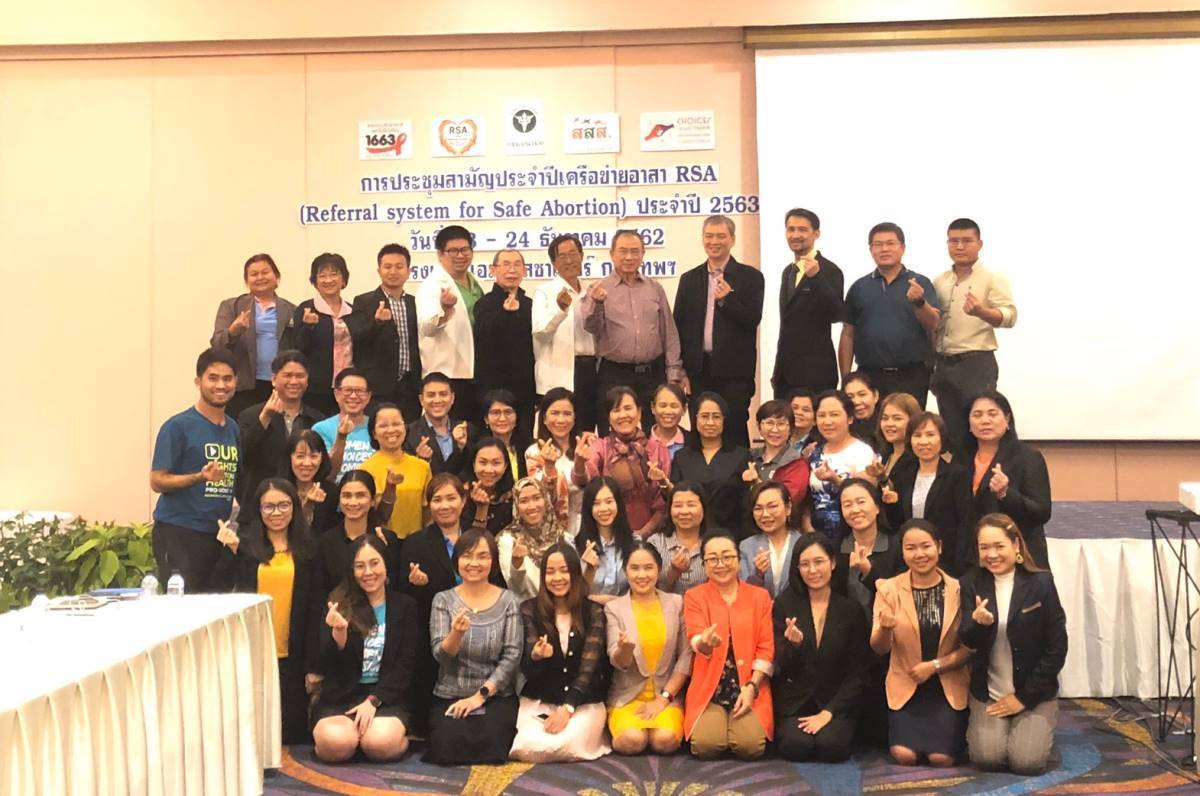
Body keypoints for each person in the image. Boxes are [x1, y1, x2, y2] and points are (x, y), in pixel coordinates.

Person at [213, 478, 319, 744]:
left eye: (283, 505)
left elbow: (315, 609)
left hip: (293, 656)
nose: (276, 513)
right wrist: (228, 550)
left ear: (294, 507)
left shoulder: (308, 550)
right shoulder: (246, 546)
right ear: (258, 510)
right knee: (252, 734)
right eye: (268, 507)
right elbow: (220, 588)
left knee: (292, 736)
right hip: (254, 653)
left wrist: (314, 665)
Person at [960, 513, 1067, 775]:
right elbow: (967, 640)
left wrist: (1023, 698)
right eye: (984, 547)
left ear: (1016, 545)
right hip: (989, 691)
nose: (992, 554)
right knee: (987, 759)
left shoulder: (1041, 583)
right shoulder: (971, 582)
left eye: (999, 546)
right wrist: (978, 624)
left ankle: (1035, 723)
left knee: (1026, 763)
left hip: (1033, 691)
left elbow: (1057, 647)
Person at [399, 474, 503, 735]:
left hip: (483, 631)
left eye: (451, 498)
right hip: (436, 638)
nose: (444, 506)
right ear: (429, 504)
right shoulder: (415, 543)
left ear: (463, 501)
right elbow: (403, 599)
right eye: (437, 500)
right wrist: (419, 585)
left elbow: (497, 582)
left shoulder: (479, 537)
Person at [870, 520, 972, 767]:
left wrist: (934, 666)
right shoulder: (888, 589)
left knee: (941, 759)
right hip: (906, 683)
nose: (919, 554)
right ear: (902, 552)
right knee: (903, 756)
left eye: (926, 546)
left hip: (946, 683)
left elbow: (970, 650)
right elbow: (879, 648)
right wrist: (885, 629)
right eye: (911, 548)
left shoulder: (959, 590)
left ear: (939, 547)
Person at [312, 535, 418, 763]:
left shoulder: (405, 606)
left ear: (386, 565)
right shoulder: (337, 603)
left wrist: (373, 701)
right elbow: (328, 664)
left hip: (385, 696)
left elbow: (406, 666)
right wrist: (339, 632)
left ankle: (377, 739)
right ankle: (352, 739)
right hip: (341, 695)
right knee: (336, 744)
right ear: (351, 570)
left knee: (380, 744)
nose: (368, 572)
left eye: (374, 563)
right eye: (359, 566)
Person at [426, 529, 523, 765]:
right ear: (457, 560)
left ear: (493, 561)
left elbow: (512, 656)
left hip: (494, 695)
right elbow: (441, 656)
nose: (474, 563)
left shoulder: (509, 600)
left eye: (482, 556)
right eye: (467, 556)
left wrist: (480, 697)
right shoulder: (443, 600)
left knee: (494, 746)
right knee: (446, 747)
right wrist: (456, 634)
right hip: (451, 693)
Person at [150, 348, 241, 592]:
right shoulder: (177, 426)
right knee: (185, 605)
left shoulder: (233, 429)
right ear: (198, 381)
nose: (220, 385)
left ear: (236, 382)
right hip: (180, 531)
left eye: (227, 378)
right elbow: (157, 481)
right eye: (213, 378)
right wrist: (200, 477)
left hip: (218, 535)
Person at [772, 535, 869, 762]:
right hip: (796, 702)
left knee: (831, 747)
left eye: (819, 562)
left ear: (832, 563)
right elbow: (780, 665)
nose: (812, 570)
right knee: (797, 746)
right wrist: (793, 645)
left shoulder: (850, 609)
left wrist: (829, 712)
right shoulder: (785, 604)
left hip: (835, 702)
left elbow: (859, 673)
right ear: (797, 568)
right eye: (805, 564)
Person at [511, 543, 611, 762]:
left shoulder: (593, 611)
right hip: (541, 700)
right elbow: (527, 670)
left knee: (566, 745)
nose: (557, 578)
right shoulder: (529, 609)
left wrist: (567, 708)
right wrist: (537, 657)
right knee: (527, 746)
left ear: (575, 574)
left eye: (564, 571)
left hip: (582, 702)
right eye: (550, 572)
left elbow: (589, 670)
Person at [580, 230, 685, 434]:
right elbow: (591, 327)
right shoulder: (598, 288)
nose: (629, 257)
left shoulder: (655, 288)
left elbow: (669, 334)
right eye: (623, 251)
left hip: (652, 374)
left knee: (655, 434)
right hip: (614, 374)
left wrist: (674, 375)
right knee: (612, 434)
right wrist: (597, 303)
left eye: (635, 251)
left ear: (643, 254)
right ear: (612, 254)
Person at [673, 215, 764, 448]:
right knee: (700, 432)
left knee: (734, 432)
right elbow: (679, 326)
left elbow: (752, 319)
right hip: (698, 371)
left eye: (721, 236)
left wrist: (727, 300)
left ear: (732, 239)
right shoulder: (689, 279)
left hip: (734, 374)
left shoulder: (751, 277)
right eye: (709, 236)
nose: (714, 242)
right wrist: (681, 370)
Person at [683, 534, 774, 760]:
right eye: (712, 559)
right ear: (704, 565)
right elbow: (695, 637)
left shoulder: (760, 597)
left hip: (749, 685)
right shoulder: (694, 596)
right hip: (709, 689)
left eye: (727, 557)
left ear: (739, 560)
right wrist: (704, 644)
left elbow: (766, 648)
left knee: (750, 747)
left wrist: (752, 687)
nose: (720, 564)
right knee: (706, 746)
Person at [932, 219, 1018, 446]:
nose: (959, 246)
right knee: (952, 433)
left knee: (982, 429)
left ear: (979, 244)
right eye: (953, 241)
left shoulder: (992, 277)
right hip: (943, 364)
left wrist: (981, 311)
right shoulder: (940, 280)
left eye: (967, 241)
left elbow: (1010, 316)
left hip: (976, 364)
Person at [605, 542, 692, 755]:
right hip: (627, 697)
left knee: (665, 741)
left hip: (666, 697)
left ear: (658, 569)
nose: (641, 575)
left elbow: (685, 656)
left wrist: (663, 699)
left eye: (648, 568)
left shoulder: (676, 603)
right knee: (632, 741)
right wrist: (625, 649)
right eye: (634, 568)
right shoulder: (614, 608)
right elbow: (617, 660)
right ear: (625, 571)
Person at [840, 222, 941, 407]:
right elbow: (848, 334)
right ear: (871, 249)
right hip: (868, 376)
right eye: (878, 244)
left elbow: (933, 325)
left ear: (902, 248)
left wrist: (919, 301)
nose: (884, 249)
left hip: (912, 375)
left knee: (910, 423)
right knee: (869, 425)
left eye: (890, 243)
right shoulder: (859, 287)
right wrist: (846, 378)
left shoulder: (920, 283)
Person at [964, 390, 1052, 569]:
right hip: (975, 562)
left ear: (1007, 419)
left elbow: (1042, 512)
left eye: (992, 414)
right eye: (977, 415)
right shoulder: (962, 461)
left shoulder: (1028, 457)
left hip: (1020, 560)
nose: (985, 420)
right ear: (969, 423)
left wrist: (1006, 493)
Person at [884, 412, 975, 575]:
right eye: (917, 435)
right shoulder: (903, 475)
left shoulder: (957, 475)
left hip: (946, 562)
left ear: (942, 439)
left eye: (930, 435)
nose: (923, 441)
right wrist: (890, 504)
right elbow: (897, 523)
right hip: (909, 561)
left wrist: (961, 566)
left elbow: (965, 523)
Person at [574, 387, 670, 538]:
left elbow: (663, 503)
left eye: (628, 408)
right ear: (608, 417)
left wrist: (641, 535)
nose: (623, 415)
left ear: (639, 412)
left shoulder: (657, 449)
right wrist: (579, 464)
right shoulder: (600, 447)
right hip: (609, 536)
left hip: (652, 537)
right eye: (616, 410)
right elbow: (585, 481)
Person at [211, 253, 297, 420]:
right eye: (254, 274)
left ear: (276, 277)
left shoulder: (292, 310)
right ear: (247, 281)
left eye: (265, 272)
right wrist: (233, 332)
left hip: (279, 387)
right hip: (244, 386)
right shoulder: (232, 306)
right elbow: (216, 343)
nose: (260, 277)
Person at [236, 350, 323, 506]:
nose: (294, 381)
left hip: (302, 503)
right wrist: (265, 418)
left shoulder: (317, 420)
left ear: (307, 381)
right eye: (288, 375)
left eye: (300, 376)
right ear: (274, 379)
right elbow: (242, 455)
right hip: (259, 504)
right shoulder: (251, 415)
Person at [773, 208, 844, 397]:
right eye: (791, 229)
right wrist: (777, 372)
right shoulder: (788, 271)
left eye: (802, 230)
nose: (795, 235)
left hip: (816, 375)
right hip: (785, 376)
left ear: (816, 233)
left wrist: (817, 278)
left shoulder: (829, 270)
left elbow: (837, 314)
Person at [348, 244, 423, 423]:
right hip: (378, 386)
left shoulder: (415, 303)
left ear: (408, 271)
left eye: (399, 267)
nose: (393, 271)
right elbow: (357, 336)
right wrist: (377, 323)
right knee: (377, 430)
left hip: (410, 386)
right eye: (387, 267)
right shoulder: (364, 301)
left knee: (408, 431)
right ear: (379, 270)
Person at [415, 226, 483, 423]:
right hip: (447, 376)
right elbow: (426, 328)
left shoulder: (474, 283)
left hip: (473, 374)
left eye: (465, 249)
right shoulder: (432, 286)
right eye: (453, 251)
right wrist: (445, 310)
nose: (460, 255)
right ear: (440, 254)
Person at [533, 234, 598, 433]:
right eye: (562, 256)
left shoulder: (591, 291)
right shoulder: (545, 292)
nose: (569, 260)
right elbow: (540, 333)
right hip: (560, 372)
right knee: (559, 431)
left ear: (582, 256)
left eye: (573, 254)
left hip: (590, 370)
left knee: (587, 430)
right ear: (554, 263)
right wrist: (560, 309)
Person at [473, 249, 537, 439]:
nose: (512, 270)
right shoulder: (484, 303)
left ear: (524, 271)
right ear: (493, 270)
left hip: (525, 387)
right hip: (492, 386)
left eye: (517, 265)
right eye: (506, 264)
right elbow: (484, 334)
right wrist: (505, 313)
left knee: (524, 437)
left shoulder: (530, 304)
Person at [669, 392, 750, 538]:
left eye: (716, 417)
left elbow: (746, 505)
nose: (710, 423)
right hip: (690, 536)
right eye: (705, 416)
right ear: (695, 419)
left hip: (731, 537)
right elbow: (675, 497)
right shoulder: (681, 457)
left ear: (724, 420)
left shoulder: (741, 456)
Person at [806, 391, 878, 542]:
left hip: (852, 535)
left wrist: (836, 480)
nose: (827, 421)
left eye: (834, 415)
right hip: (818, 536)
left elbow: (867, 493)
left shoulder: (862, 452)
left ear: (850, 418)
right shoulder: (814, 453)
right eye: (821, 415)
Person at [316, 470, 402, 595]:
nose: (353, 502)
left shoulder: (387, 539)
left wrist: (384, 554)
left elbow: (393, 587)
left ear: (372, 500)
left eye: (360, 495)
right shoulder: (326, 542)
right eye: (346, 496)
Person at [359, 403, 431, 539]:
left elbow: (427, 512)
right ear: (374, 433)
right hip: (381, 541)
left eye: (396, 424)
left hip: (416, 541)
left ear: (405, 428)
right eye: (383, 426)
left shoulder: (422, 466)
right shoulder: (365, 469)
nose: (391, 430)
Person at [294, 252, 353, 417]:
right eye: (322, 276)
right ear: (315, 281)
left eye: (334, 274)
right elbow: (298, 348)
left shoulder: (353, 311)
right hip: (316, 389)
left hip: (347, 387)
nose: (328, 280)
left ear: (343, 279)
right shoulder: (306, 309)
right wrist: (308, 327)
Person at [834, 478, 902, 619]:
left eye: (861, 502)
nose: (855, 510)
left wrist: (869, 572)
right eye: (847, 505)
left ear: (877, 507)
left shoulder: (897, 546)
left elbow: (900, 596)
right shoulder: (836, 550)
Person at [498, 477, 568, 601]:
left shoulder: (564, 537)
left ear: (546, 500)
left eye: (537, 498)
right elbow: (516, 588)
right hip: (528, 610)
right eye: (524, 501)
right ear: (516, 506)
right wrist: (517, 563)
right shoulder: (508, 540)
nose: (532, 506)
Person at [525, 388, 582, 537]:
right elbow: (539, 495)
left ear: (575, 417)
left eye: (567, 414)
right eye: (555, 413)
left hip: (586, 524)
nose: (561, 420)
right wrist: (549, 467)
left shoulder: (585, 447)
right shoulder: (534, 452)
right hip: (550, 529)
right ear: (544, 418)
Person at [575, 476, 636, 602]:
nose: (603, 509)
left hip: (625, 612)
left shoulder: (635, 543)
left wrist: (611, 602)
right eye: (596, 503)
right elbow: (573, 597)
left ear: (618, 503)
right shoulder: (574, 545)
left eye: (609, 501)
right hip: (588, 612)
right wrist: (589, 570)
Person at [739, 480, 802, 599]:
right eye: (758, 508)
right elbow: (742, 593)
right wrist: (758, 575)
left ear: (788, 508)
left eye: (772, 506)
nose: (765, 514)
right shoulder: (746, 547)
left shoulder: (803, 544)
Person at [404, 371, 471, 476]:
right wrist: (420, 461)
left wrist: (460, 448)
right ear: (421, 400)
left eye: (443, 394)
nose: (437, 400)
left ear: (452, 398)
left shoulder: (467, 430)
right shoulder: (409, 434)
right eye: (431, 395)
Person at [743, 399, 809, 505]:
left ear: (791, 429)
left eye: (781, 424)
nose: (775, 430)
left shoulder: (797, 463)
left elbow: (786, 501)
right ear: (759, 427)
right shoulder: (748, 456)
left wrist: (757, 482)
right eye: (769, 423)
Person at [647, 482, 708, 595]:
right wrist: (673, 573)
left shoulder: (714, 544)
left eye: (691, 505)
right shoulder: (656, 543)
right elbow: (648, 591)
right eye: (678, 506)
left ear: (703, 508)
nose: (684, 511)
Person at [313, 368, 374, 479]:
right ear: (336, 394)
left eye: (360, 391)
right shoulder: (321, 429)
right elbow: (326, 472)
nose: (353, 396)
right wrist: (341, 437)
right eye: (347, 390)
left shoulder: (377, 427)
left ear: (369, 396)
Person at [284, 428, 340, 535]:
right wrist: (308, 506)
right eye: (300, 456)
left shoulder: (331, 492)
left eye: (314, 456)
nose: (307, 463)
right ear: (289, 457)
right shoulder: (278, 490)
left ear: (322, 458)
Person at [460, 436, 516, 533]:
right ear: (474, 464)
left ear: (505, 466)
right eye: (483, 462)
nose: (489, 470)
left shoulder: (515, 496)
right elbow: (472, 539)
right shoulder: (461, 495)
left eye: (496, 463)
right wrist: (481, 509)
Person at [481, 389, 531, 481]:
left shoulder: (529, 449)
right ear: (486, 419)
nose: (502, 418)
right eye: (496, 413)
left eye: (508, 412)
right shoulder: (478, 449)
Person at [872, 392, 921, 482]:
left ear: (913, 421)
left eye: (897, 418)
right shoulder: (883, 455)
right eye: (885, 418)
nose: (889, 424)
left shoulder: (919, 459)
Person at [649, 383, 688, 461]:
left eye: (674, 406)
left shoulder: (693, 443)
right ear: (653, 408)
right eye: (663, 406)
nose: (668, 411)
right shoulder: (641, 441)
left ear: (684, 409)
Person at [844, 371, 881, 450]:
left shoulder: (886, 425)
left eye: (862, 394)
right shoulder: (842, 428)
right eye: (850, 397)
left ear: (875, 396)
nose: (856, 402)